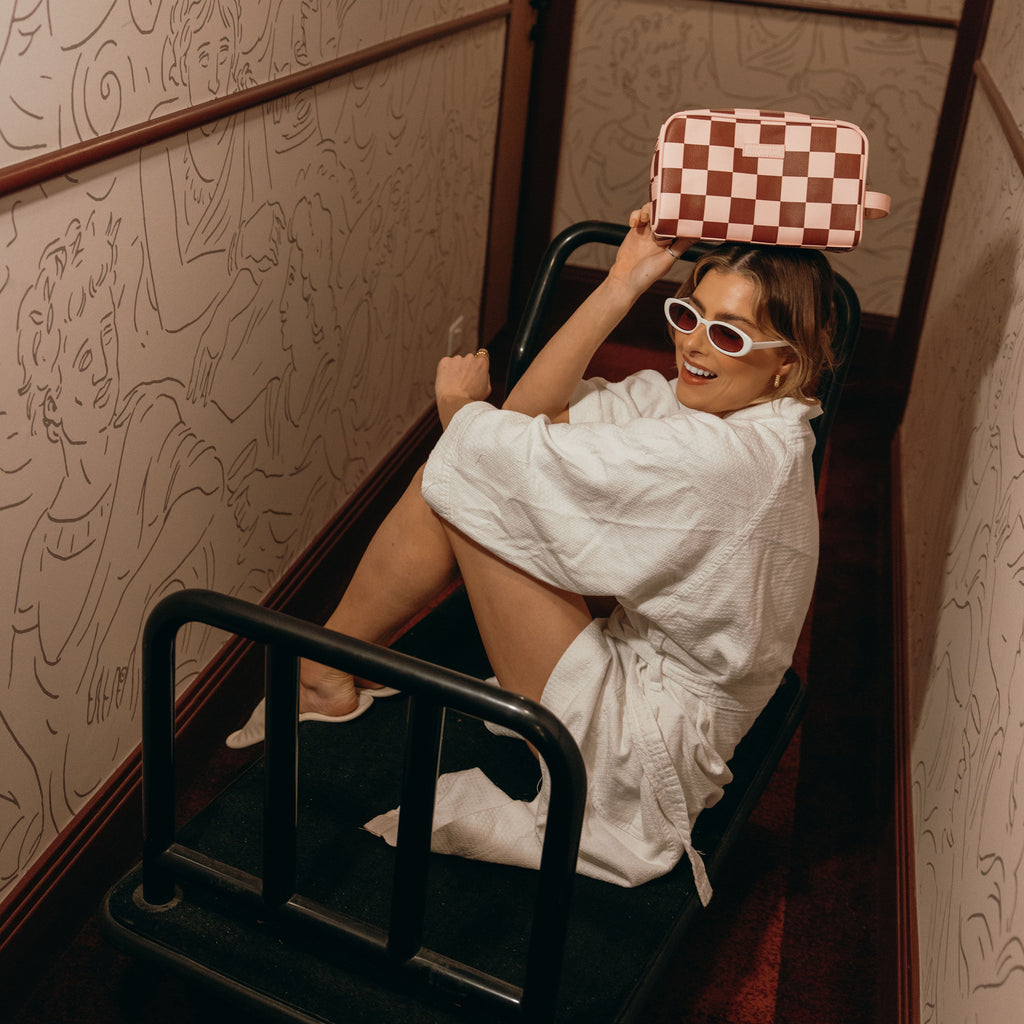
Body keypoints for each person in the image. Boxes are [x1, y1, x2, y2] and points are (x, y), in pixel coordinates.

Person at [227, 203, 835, 902]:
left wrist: (458, 412)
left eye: (728, 334)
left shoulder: (725, 460)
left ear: (785, 364)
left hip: (641, 755)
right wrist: (621, 284)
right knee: (477, 462)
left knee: (466, 473)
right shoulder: (716, 411)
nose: (695, 347)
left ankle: (322, 664)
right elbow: (527, 419)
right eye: (687, 316)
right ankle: (325, 664)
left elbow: (494, 451)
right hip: (645, 679)